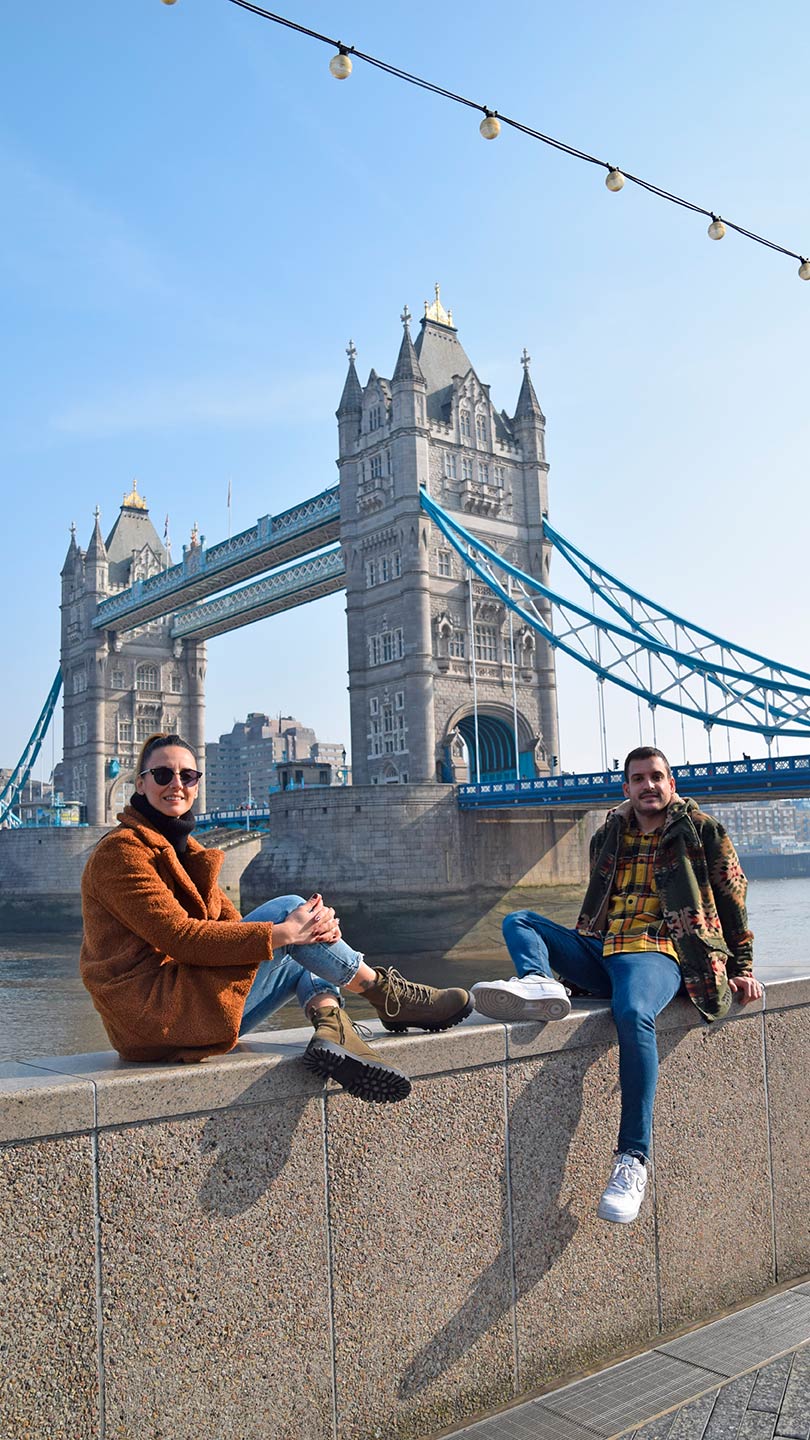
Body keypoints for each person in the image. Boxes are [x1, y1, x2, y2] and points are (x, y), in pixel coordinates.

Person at [80, 732, 472, 1102]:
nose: (176, 784)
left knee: (301, 940)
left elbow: (234, 931)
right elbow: (181, 938)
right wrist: (287, 930)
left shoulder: (186, 851)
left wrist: (307, 932)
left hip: (185, 1009)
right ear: (140, 784)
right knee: (287, 910)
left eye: (188, 775)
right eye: (162, 774)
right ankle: (385, 994)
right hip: (153, 1019)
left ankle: (331, 1024)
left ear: (198, 784)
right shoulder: (122, 852)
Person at [471, 746, 763, 1223]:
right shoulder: (609, 834)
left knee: (632, 1014)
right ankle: (540, 982)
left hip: (660, 951)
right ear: (625, 788)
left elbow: (733, 897)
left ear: (672, 785)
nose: (649, 786)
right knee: (519, 920)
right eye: (638, 779)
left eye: (657, 777)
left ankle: (633, 1160)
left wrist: (742, 965)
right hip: (602, 947)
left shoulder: (701, 831)